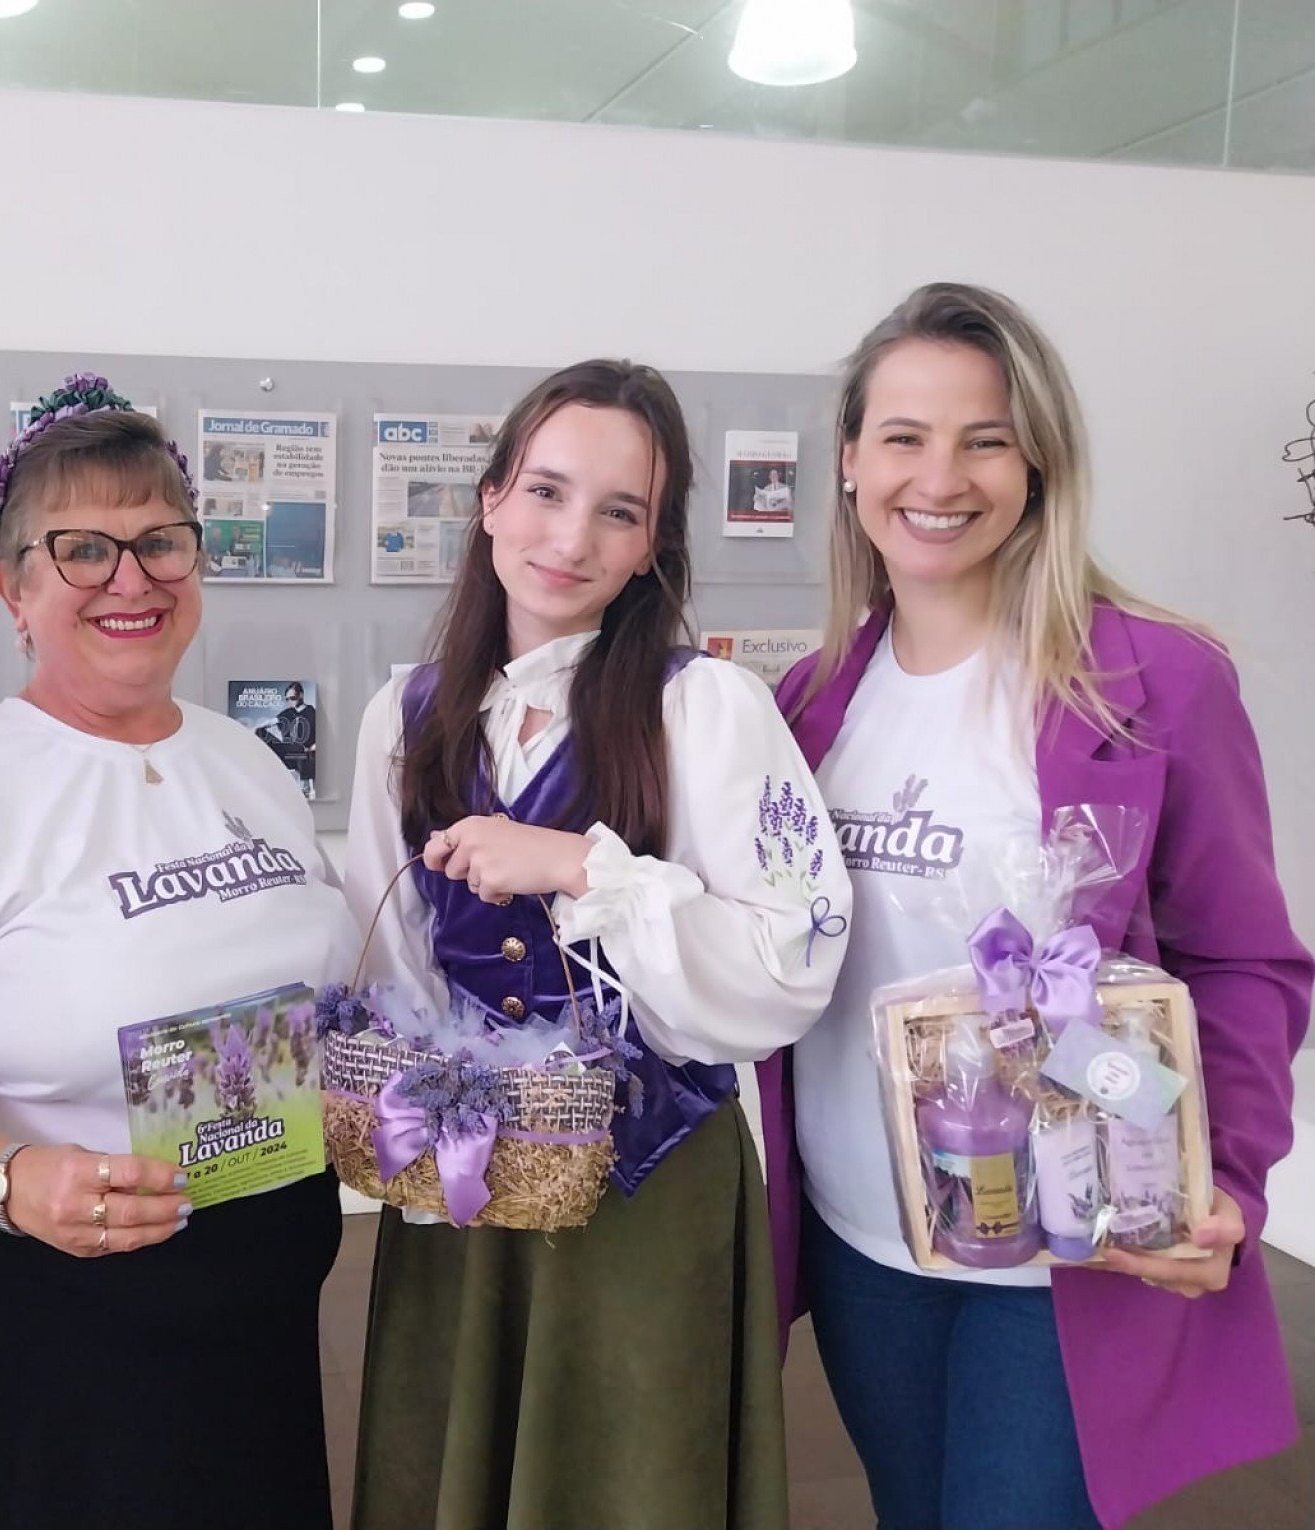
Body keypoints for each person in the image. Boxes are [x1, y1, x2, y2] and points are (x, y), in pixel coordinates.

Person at [760, 281, 1312, 1529]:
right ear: (851, 461)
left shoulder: (1156, 679)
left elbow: (1247, 963)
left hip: (1075, 1251)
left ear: (1039, 463)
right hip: (868, 1246)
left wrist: (1225, 1177)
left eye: (985, 438)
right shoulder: (810, 702)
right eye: (904, 436)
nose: (938, 475)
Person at [0, 374, 360, 1530]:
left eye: (160, 543)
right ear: (13, 587)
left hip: (267, 1265)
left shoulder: (246, 762)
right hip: (71, 1285)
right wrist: (8, 1184)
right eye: (82, 551)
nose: (131, 581)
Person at [342, 358, 852, 1529]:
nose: (570, 537)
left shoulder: (706, 709)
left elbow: (793, 955)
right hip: (466, 1178)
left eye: (618, 511)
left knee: (633, 1481)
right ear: (489, 501)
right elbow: (393, 962)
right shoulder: (405, 715)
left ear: (651, 546)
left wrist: (584, 867)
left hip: (648, 1187)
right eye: (546, 492)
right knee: (455, 1465)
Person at [276, 681, 318, 797]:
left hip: (306, 754)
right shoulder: (287, 713)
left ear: (301, 695)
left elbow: (322, 736)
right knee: (261, 733)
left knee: (301, 752)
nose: (290, 701)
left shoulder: (312, 713)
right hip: (289, 751)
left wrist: (313, 746)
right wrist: (256, 728)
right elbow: (271, 721)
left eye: (293, 698)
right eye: (287, 699)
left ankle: (305, 788)